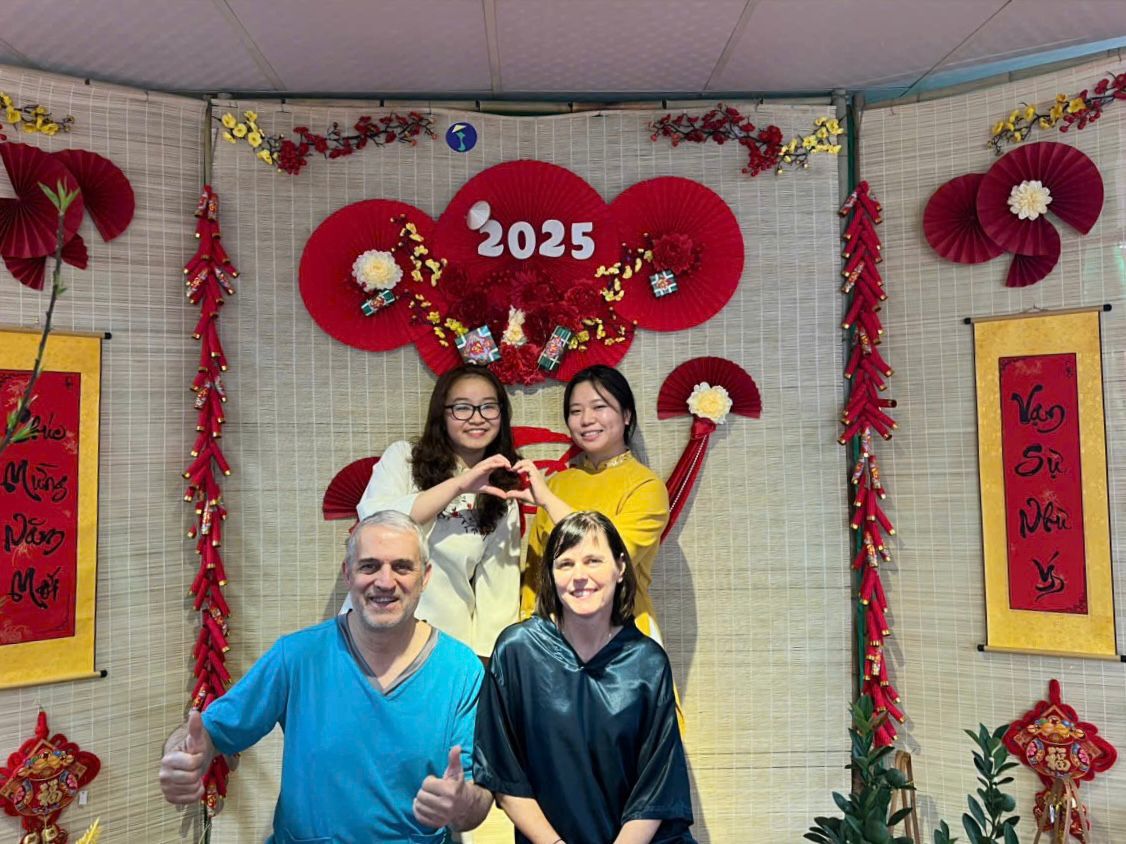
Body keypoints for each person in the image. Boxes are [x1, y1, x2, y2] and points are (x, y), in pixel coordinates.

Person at [158, 510, 493, 843]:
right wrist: (183, 756)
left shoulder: (461, 670)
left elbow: (476, 801)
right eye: (369, 566)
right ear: (348, 573)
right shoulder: (297, 656)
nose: (385, 582)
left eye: (402, 567)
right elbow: (210, 733)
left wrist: (462, 803)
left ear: (425, 576)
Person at [474, 511, 695, 844]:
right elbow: (504, 774)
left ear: (621, 567)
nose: (579, 576)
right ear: (550, 574)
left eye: (593, 561)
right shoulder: (517, 651)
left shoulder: (648, 662)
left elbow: (657, 786)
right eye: (565, 564)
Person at [353, 364, 521, 657]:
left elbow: (499, 594)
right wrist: (459, 485)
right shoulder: (404, 459)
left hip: (447, 646)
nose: (477, 418)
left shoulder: (501, 494)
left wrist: (486, 662)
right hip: (375, 633)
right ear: (441, 414)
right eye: (462, 408)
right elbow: (376, 526)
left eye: (488, 407)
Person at [513, 365, 670, 643]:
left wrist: (547, 501)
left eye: (599, 407)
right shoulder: (557, 484)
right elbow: (536, 574)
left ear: (626, 415)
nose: (586, 419)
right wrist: (529, 633)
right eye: (576, 411)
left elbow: (609, 556)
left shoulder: (647, 486)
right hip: (555, 640)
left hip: (625, 639)